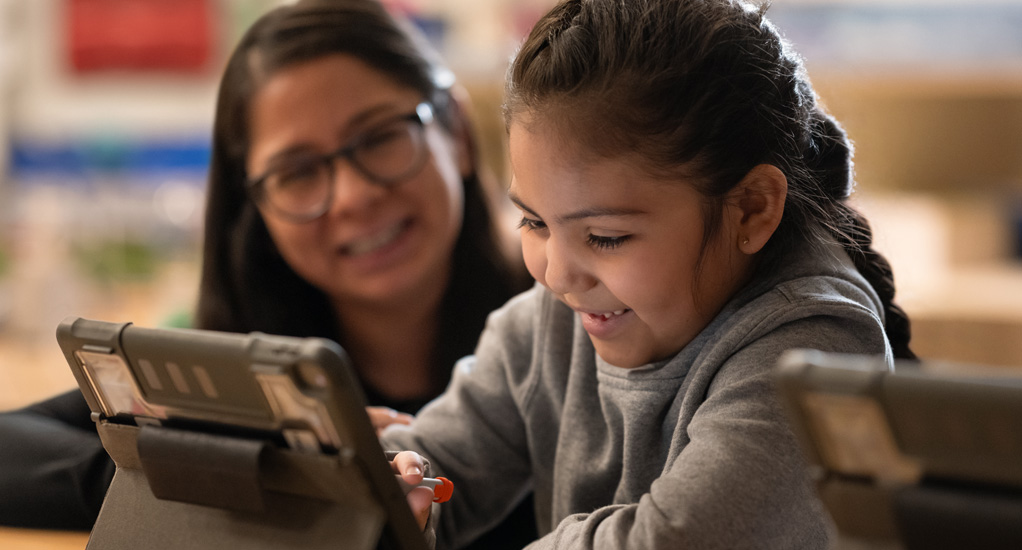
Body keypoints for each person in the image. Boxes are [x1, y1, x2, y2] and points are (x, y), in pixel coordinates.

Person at [383, 0, 917, 548]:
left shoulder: (815, 350)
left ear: (753, 209)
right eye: (534, 221)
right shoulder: (559, 322)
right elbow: (441, 473)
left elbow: (674, 539)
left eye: (607, 237)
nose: (559, 275)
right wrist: (380, 481)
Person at [0, 1, 534, 544]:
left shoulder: (573, 333)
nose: (353, 196)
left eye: (378, 137)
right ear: (254, 209)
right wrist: (223, 471)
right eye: (298, 171)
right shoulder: (236, 374)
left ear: (459, 134)